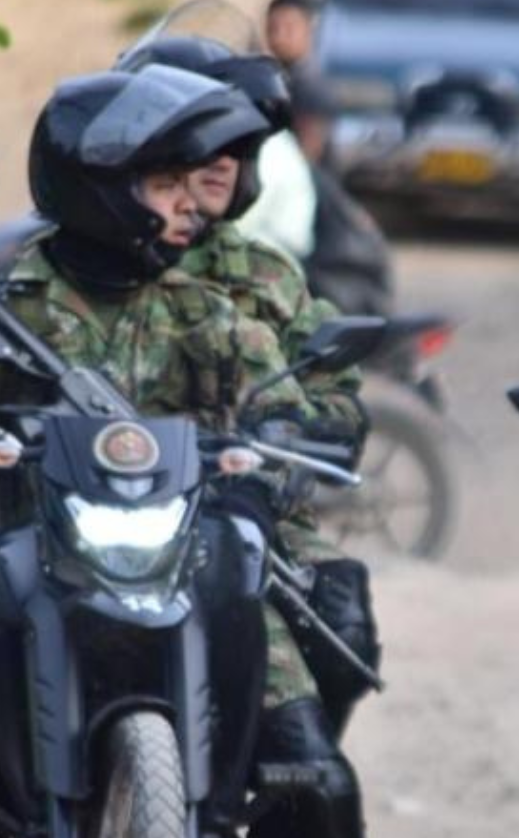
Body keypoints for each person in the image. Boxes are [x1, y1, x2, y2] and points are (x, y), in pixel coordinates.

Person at [0, 64, 371, 838]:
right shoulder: (8, 304)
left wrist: (297, 431)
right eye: (159, 183)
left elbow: (279, 395)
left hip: (188, 555)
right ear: (103, 191)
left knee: (318, 773)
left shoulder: (205, 308)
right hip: (43, 559)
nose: (183, 202)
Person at [119, 33, 380, 738]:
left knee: (339, 636)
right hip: (90, 523)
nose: (216, 169)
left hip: (240, 523)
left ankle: (281, 814)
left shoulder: (267, 275)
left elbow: (330, 392)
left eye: (230, 151)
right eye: (185, 153)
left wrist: (301, 437)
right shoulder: (67, 264)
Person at [265, 0, 335, 164]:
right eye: (273, 29)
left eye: (289, 29)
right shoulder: (278, 78)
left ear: (309, 29)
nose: (279, 37)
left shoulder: (310, 86)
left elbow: (308, 154)